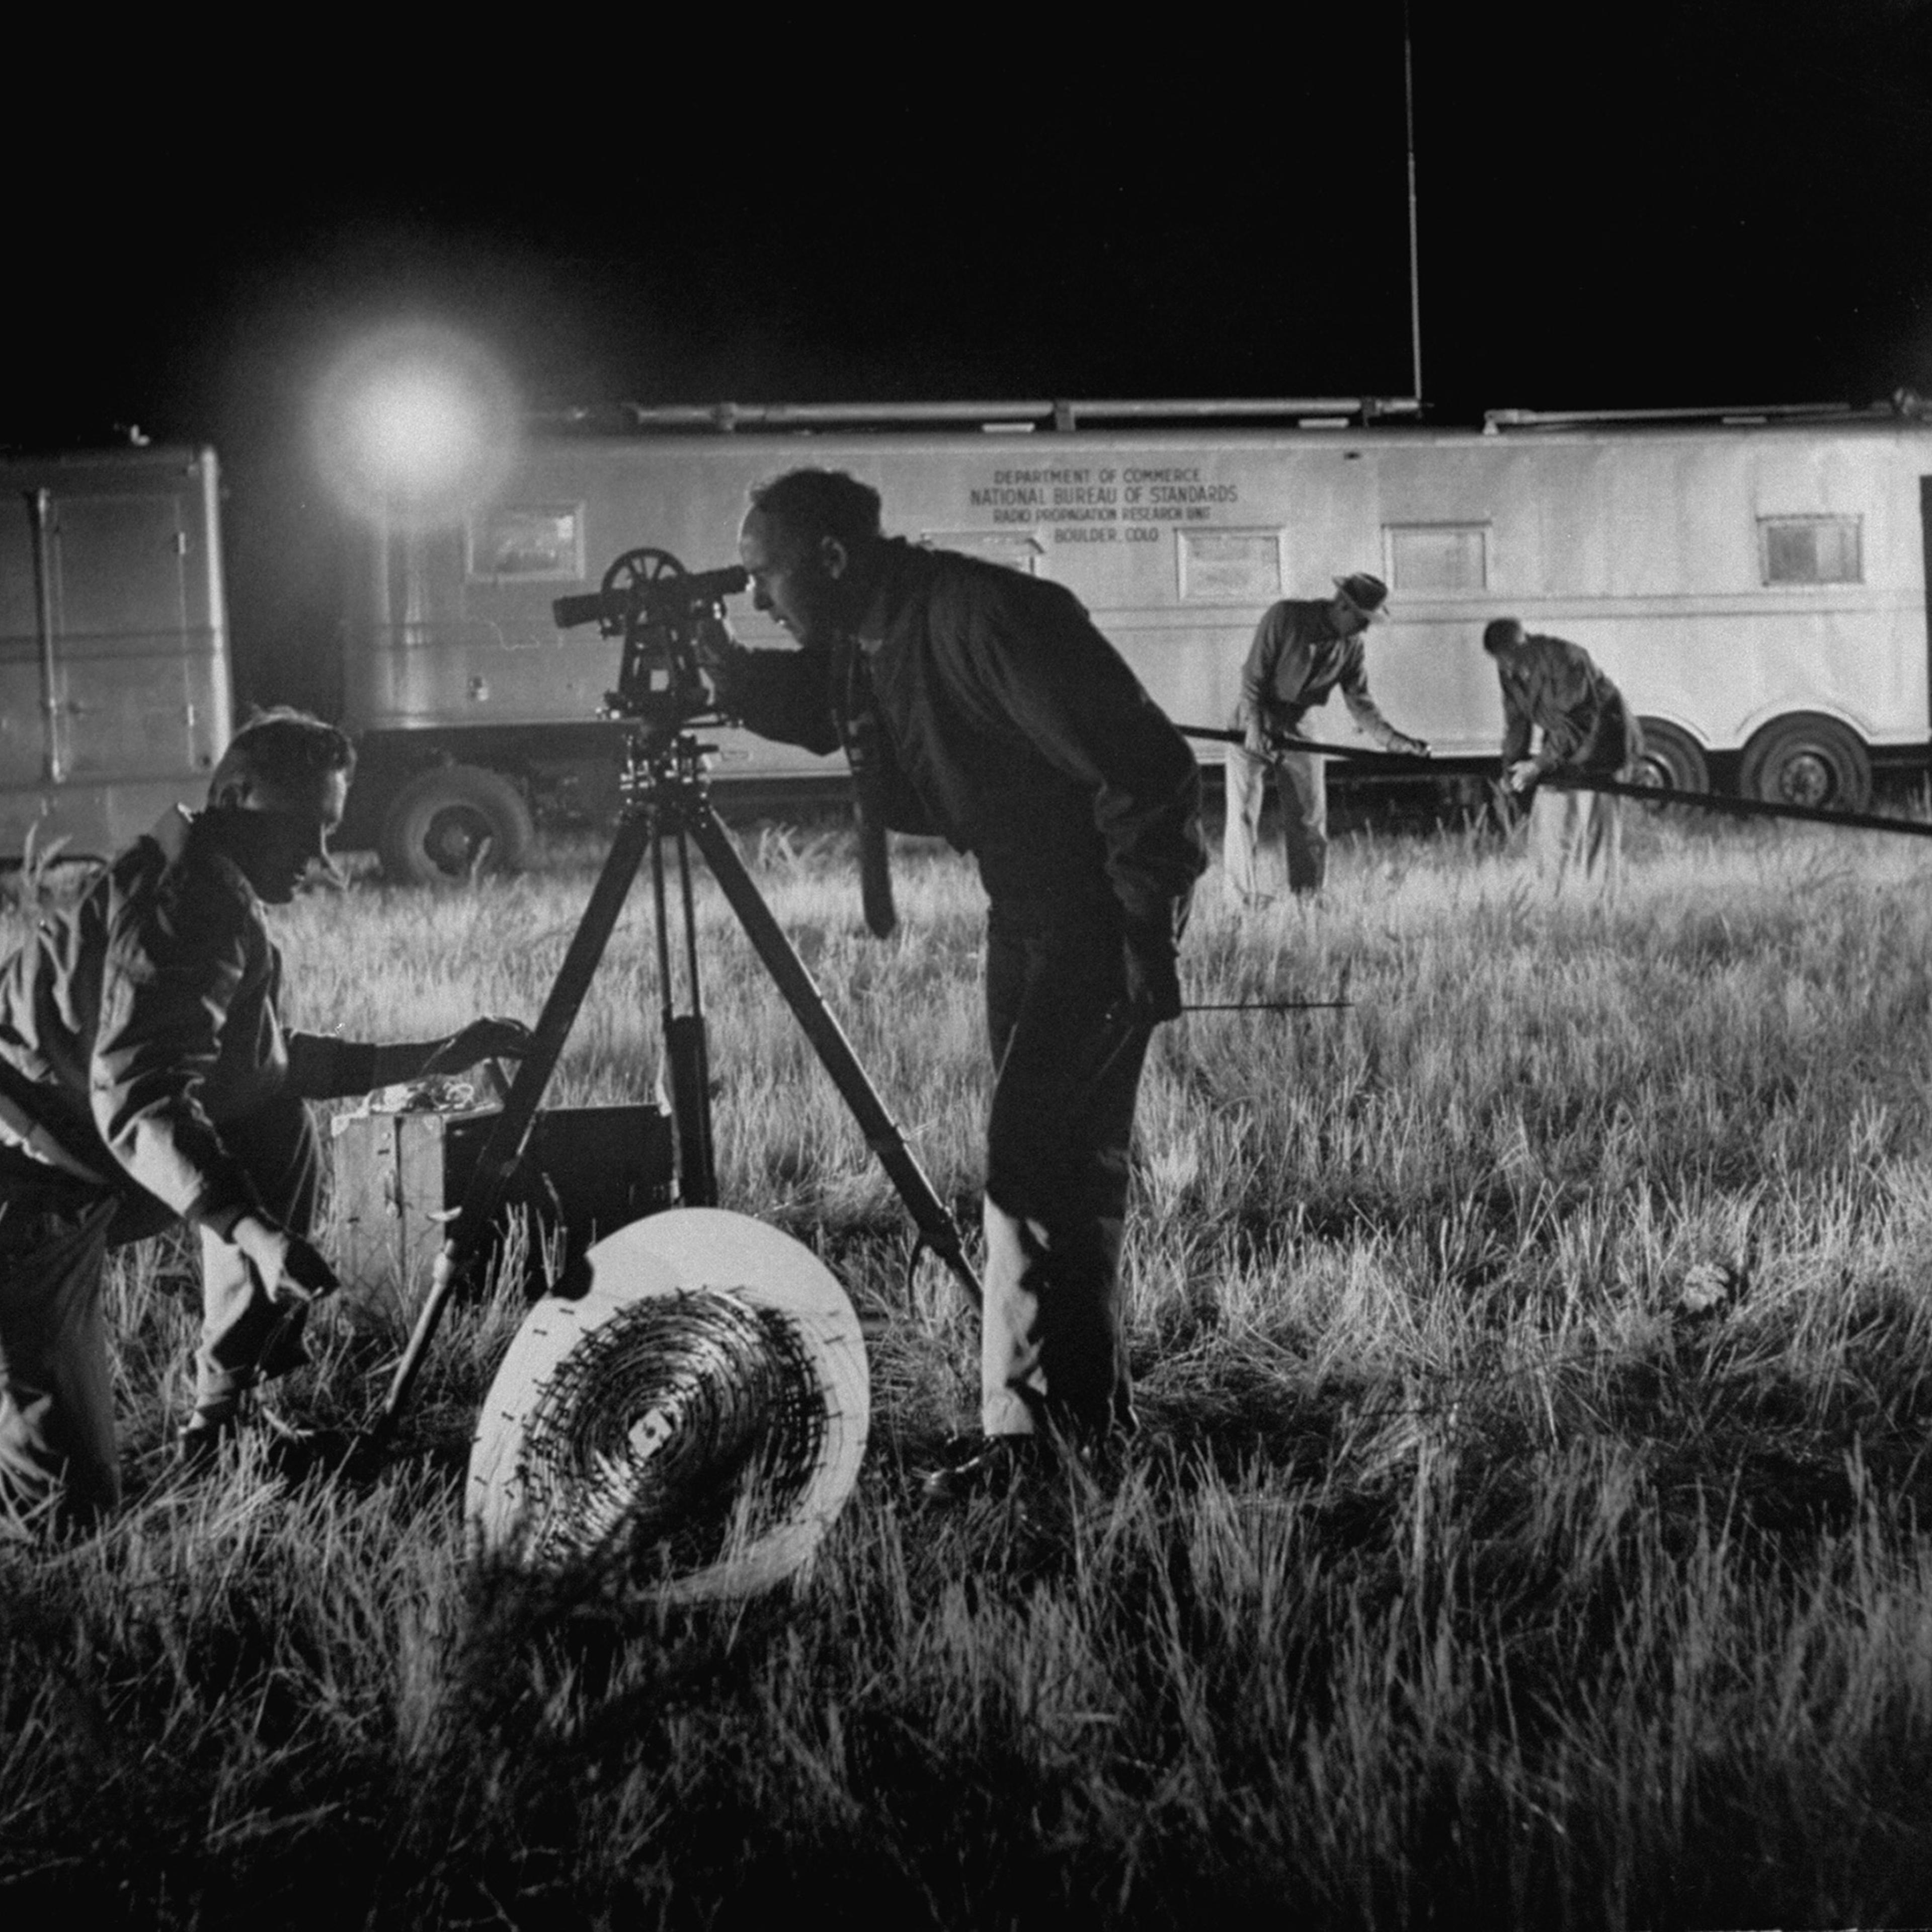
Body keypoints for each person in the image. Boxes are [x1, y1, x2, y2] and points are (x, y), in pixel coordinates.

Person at [702, 468, 1205, 1489]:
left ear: (833, 559)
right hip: (1024, 908)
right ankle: (1070, 1424)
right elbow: (828, 705)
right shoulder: (874, 629)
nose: (758, 597)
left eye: (767, 576)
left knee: (1041, 1157)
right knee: (1048, 1163)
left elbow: (1147, 766)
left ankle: (1045, 1438)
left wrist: (1146, 933)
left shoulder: (990, 618)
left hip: (1091, 908)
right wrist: (717, 664)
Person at [0, 709, 529, 1539]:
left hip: (92, 1157)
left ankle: (224, 1424)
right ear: (236, 797)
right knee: (68, 1520)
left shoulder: (216, 888)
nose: (319, 862)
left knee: (273, 1124)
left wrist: (434, 1056)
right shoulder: (189, 908)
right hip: (26, 1187)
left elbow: (264, 1069)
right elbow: (141, 1101)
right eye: (303, 831)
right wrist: (257, 1232)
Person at [1223, 572, 1429, 905]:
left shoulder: (1352, 647)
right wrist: (1256, 727)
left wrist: (1394, 741)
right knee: (1243, 813)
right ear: (1343, 607)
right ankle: (1240, 899)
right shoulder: (1286, 617)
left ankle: (1309, 895)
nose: (1365, 630)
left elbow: (1360, 703)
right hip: (1251, 717)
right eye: (1363, 621)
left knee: (1309, 817)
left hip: (1300, 725)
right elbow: (1252, 676)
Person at [1481, 617, 1644, 893]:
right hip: (1562, 744)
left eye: (1510, 657)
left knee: (1595, 831)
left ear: (1525, 645)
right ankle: (1551, 900)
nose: (1506, 666)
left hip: (1602, 742)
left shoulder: (1566, 659)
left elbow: (1578, 721)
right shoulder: (1508, 670)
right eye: (1499, 659)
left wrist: (1540, 764)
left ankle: (1601, 907)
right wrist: (1511, 768)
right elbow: (1517, 722)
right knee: (1548, 826)